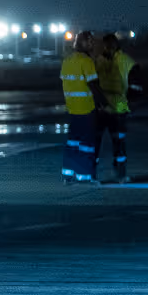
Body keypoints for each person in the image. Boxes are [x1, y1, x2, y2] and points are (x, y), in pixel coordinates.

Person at [60, 31, 102, 184]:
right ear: (83, 43)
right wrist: (103, 104)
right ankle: (84, 176)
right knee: (87, 144)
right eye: (90, 42)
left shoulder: (67, 61)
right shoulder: (86, 61)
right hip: (86, 108)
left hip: (72, 108)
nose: (92, 45)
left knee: (73, 142)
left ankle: (68, 174)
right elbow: (94, 85)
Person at [93, 32, 136, 183]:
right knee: (113, 142)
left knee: (114, 142)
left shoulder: (120, 60)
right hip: (109, 106)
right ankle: (119, 174)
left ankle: (118, 173)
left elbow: (136, 81)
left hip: (111, 106)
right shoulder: (121, 60)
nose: (108, 47)